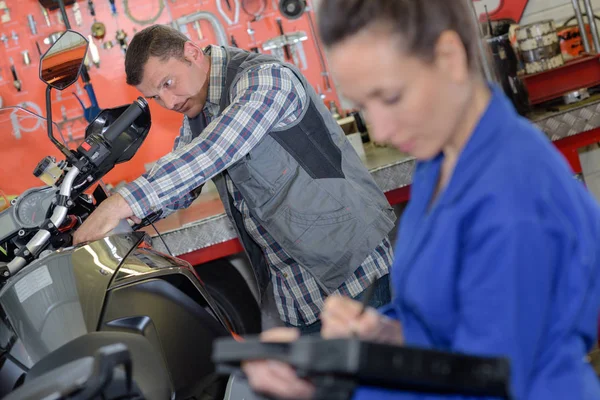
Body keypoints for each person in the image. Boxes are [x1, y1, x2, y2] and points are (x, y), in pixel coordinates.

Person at [242, 0, 600, 399]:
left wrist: (328, 388)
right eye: (363, 106)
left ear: (448, 57)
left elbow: (486, 383)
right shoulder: (442, 159)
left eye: (391, 97)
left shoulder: (512, 196)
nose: (380, 128)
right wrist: (381, 333)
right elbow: (441, 326)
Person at [72, 24, 396, 333]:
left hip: (348, 264)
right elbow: (184, 183)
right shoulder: (198, 110)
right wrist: (119, 217)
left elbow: (215, 149)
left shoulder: (263, 79)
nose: (168, 103)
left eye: (168, 83)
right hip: (298, 285)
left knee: (380, 383)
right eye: (155, 97)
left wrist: (121, 203)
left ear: (193, 53)